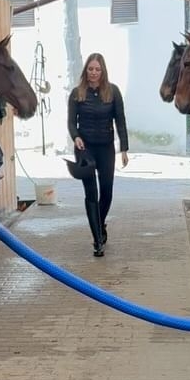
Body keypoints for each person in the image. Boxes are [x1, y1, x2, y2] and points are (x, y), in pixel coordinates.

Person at [67, 53, 129, 257]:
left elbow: (120, 120)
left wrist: (124, 149)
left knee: (107, 191)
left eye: (97, 69)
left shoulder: (113, 92)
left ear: (103, 72)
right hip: (85, 148)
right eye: (90, 69)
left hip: (106, 147)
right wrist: (75, 137)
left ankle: (100, 223)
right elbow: (71, 122)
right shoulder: (77, 93)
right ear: (86, 70)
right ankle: (97, 240)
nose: (93, 73)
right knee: (91, 193)